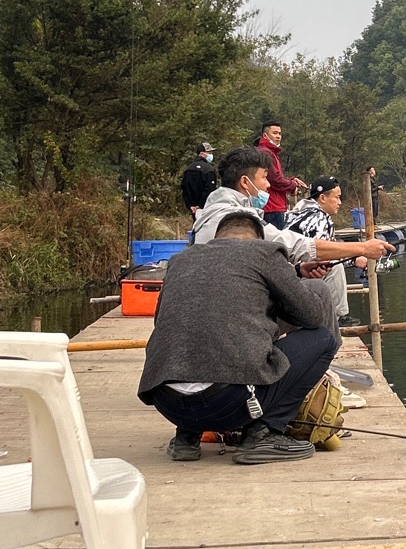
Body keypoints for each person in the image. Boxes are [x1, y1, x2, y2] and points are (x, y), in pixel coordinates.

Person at [137, 213, 337, 464]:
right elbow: (313, 315)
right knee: (322, 339)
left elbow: (162, 323)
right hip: (229, 403)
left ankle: (186, 437)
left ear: (218, 238)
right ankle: (265, 433)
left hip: (169, 405)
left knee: (192, 331)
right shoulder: (264, 252)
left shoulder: (181, 259)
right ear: (257, 238)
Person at [194, 147, 392, 284]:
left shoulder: (213, 210)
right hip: (232, 309)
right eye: (264, 177)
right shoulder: (235, 218)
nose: (268, 185)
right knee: (317, 293)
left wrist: (297, 270)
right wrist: (362, 248)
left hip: (228, 296)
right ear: (245, 182)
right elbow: (292, 244)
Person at [286, 178, 351, 321]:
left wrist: (353, 259)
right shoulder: (318, 219)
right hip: (296, 278)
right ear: (322, 198)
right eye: (337, 198)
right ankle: (339, 318)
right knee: (335, 266)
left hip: (288, 273)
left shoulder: (299, 212)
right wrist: (356, 254)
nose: (340, 203)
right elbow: (323, 254)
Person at [255, 122, 303, 228]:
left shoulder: (269, 152)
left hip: (271, 205)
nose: (278, 136)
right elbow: (275, 180)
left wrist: (291, 180)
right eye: (275, 133)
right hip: (272, 206)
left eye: (280, 134)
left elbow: (274, 176)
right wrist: (293, 185)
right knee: (277, 241)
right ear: (265, 135)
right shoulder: (266, 153)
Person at [179, 142, 216, 218]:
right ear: (202, 153)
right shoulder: (208, 169)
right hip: (206, 209)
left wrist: (190, 205)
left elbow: (184, 188)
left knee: (196, 226)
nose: (211, 155)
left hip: (193, 209)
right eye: (209, 152)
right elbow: (210, 189)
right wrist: (200, 206)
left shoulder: (188, 169)